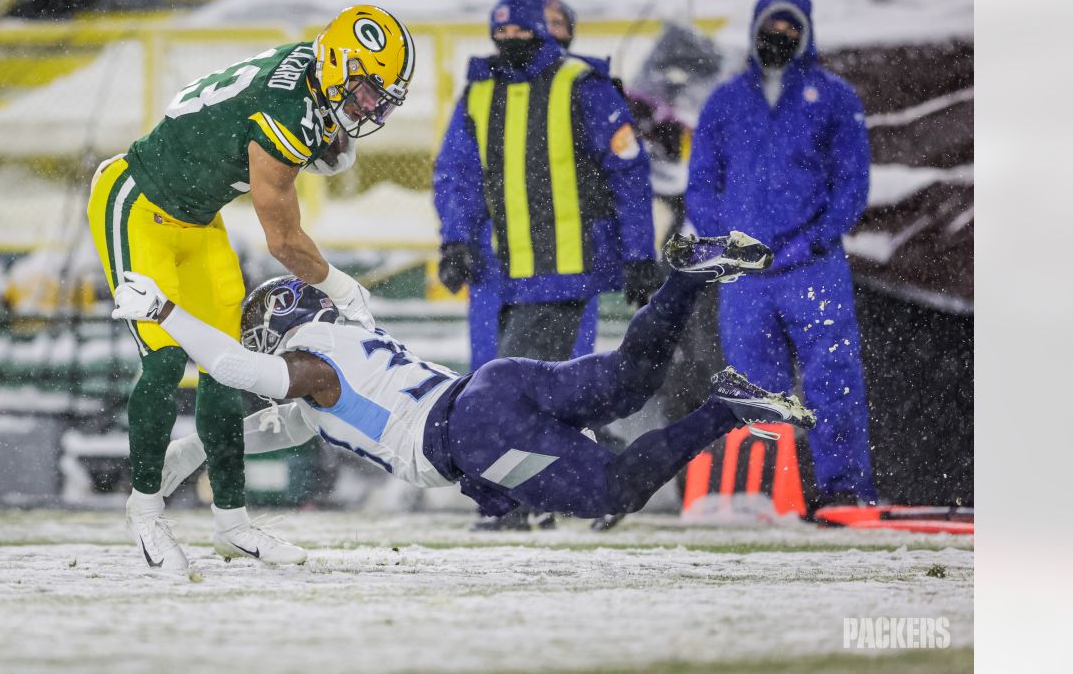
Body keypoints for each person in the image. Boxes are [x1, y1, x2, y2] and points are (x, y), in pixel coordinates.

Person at [109, 231, 815, 549]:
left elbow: (237, 372)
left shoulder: (313, 368)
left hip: (472, 437)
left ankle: (726, 404)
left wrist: (166, 314)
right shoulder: (346, 330)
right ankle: (691, 275)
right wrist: (198, 448)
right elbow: (286, 427)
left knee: (612, 491)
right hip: (494, 384)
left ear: (277, 328)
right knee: (631, 378)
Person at [87, 5, 416, 570]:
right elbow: (284, 243)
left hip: (197, 220)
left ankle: (231, 525)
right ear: (339, 64)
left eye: (378, 99)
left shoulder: (308, 76)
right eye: (365, 92)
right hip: (136, 202)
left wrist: (327, 137)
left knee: (226, 366)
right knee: (165, 361)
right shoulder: (285, 109)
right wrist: (340, 286)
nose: (370, 107)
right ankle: (144, 512)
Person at [433, 0, 659, 529]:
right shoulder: (479, 92)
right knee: (527, 398)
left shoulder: (583, 86)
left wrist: (639, 253)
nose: (509, 40)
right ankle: (603, 484)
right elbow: (456, 175)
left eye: (521, 31)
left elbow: (628, 171)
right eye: (501, 31)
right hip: (496, 275)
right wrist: (456, 241)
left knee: (516, 398)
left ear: (546, 31)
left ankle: (526, 503)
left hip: (563, 271)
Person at [685, 0, 878, 507]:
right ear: (754, 28)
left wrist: (812, 241)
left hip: (812, 269)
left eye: (792, 26)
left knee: (833, 381)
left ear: (807, 32)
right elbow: (702, 182)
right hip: (746, 276)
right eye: (773, 25)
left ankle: (844, 494)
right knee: (753, 389)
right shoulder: (726, 100)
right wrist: (726, 244)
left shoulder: (834, 97)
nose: (781, 35)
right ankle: (767, 494)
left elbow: (851, 184)